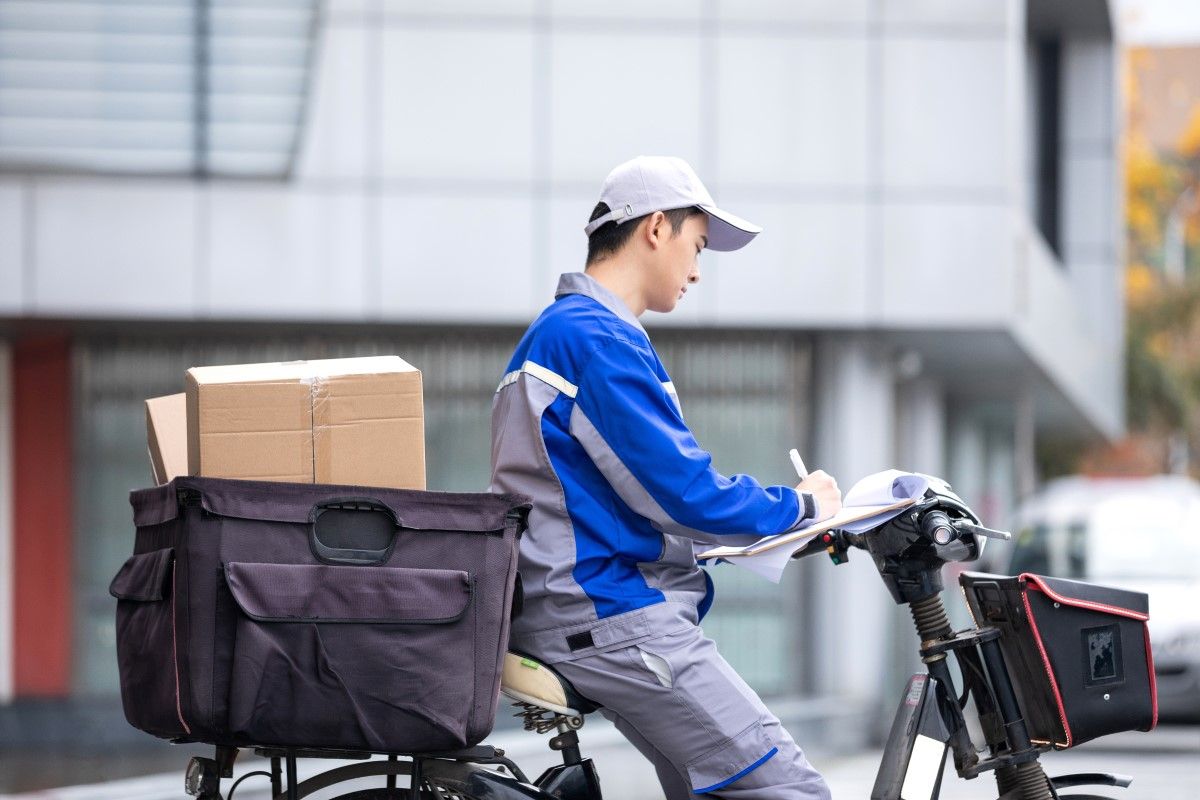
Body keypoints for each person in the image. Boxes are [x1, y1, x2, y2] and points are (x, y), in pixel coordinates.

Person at [490, 156, 841, 799]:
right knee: (789, 789)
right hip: (609, 610)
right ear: (657, 228)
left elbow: (618, 502)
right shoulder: (594, 338)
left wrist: (753, 535)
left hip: (578, 604)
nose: (699, 271)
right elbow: (679, 493)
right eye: (697, 245)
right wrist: (803, 505)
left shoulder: (564, 332)